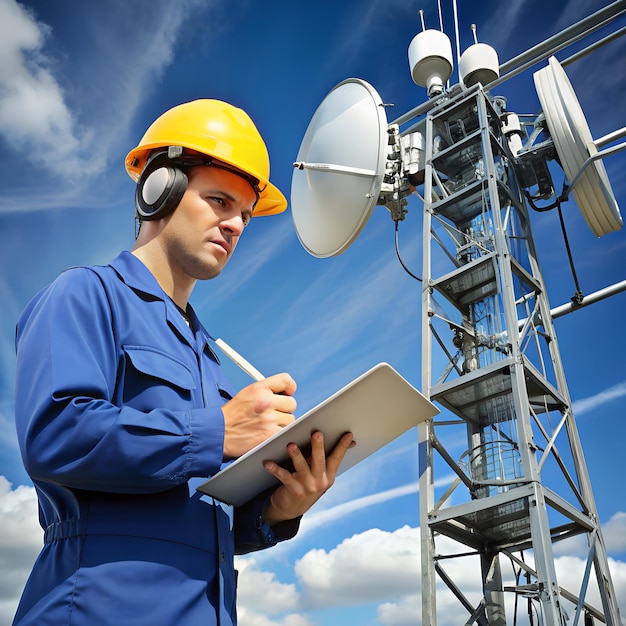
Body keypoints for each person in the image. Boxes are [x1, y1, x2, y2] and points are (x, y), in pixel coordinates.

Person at [13, 99, 354, 625]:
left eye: (244, 213)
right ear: (159, 189)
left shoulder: (208, 359)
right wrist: (215, 433)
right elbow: (55, 435)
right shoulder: (85, 295)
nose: (236, 224)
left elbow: (199, 521)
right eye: (219, 200)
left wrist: (280, 509)